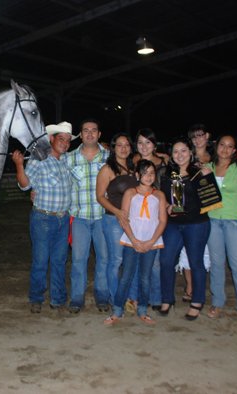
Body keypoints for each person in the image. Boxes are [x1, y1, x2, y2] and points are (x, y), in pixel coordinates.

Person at [12, 121, 75, 314]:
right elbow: (24, 186)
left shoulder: (67, 160)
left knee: (59, 260)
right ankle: (36, 297)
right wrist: (19, 165)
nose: (64, 143)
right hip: (43, 218)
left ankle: (58, 299)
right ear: (52, 139)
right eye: (61, 139)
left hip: (63, 219)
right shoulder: (38, 159)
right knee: (40, 260)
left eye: (67, 140)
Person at [104, 159, 167, 326]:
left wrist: (151, 241)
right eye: (145, 173)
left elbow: (162, 221)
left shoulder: (159, 195)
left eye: (152, 173)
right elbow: (124, 218)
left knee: (145, 277)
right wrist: (134, 240)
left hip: (151, 243)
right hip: (131, 241)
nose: (148, 176)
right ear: (138, 175)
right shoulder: (130, 193)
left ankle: (143, 310)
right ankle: (117, 310)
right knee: (126, 276)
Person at [158, 136, 212, 320]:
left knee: (196, 262)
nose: (179, 155)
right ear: (171, 155)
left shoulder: (199, 172)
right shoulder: (168, 174)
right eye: (175, 151)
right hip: (173, 224)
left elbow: (211, 199)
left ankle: (197, 300)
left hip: (196, 224)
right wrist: (167, 206)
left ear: (190, 152)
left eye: (183, 151)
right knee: (165, 260)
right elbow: (162, 196)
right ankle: (167, 298)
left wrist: (207, 178)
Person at [206, 135, 237, 323]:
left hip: (234, 222)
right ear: (216, 146)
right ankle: (217, 302)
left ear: (235, 150)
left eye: (230, 146)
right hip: (213, 221)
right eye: (222, 145)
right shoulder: (208, 168)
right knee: (217, 264)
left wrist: (232, 207)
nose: (225, 149)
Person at [64, 118, 110, 313]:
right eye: (86, 130)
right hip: (80, 218)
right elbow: (60, 183)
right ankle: (77, 298)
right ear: (80, 135)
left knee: (104, 259)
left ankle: (102, 295)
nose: (90, 133)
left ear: (99, 134)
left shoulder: (110, 158)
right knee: (78, 260)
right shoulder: (69, 158)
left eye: (94, 130)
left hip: (103, 217)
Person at [96, 133, 138, 311]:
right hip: (113, 220)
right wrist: (118, 212)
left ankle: (132, 298)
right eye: (119, 145)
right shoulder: (107, 169)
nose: (123, 148)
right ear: (113, 148)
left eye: (126, 144)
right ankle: (116, 300)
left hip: (134, 221)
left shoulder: (134, 168)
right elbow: (99, 197)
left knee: (132, 260)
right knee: (116, 260)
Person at [178, 124, 213, 302]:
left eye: (200, 135)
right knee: (186, 252)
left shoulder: (216, 158)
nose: (197, 139)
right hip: (190, 213)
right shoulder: (185, 157)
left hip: (212, 211)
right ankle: (190, 287)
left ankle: (202, 288)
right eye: (194, 137)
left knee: (204, 253)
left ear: (207, 136)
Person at [133, 128, 168, 311]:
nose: (144, 146)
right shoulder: (133, 162)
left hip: (157, 218)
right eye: (140, 142)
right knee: (137, 261)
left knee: (155, 263)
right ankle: (139, 297)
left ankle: (155, 298)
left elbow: (169, 189)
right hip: (138, 219)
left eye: (148, 142)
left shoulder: (163, 163)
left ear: (154, 144)